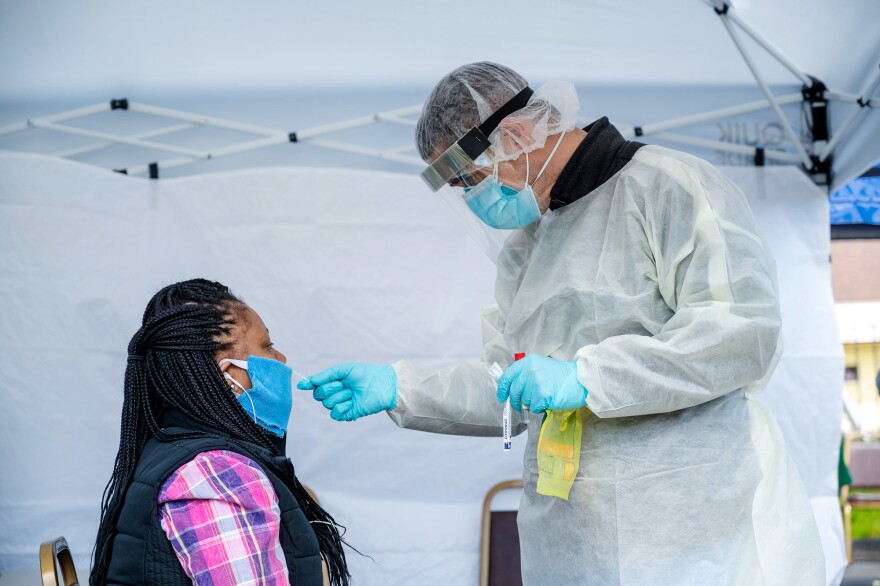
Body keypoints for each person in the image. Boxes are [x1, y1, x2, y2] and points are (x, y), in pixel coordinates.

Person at [298, 62, 825, 584]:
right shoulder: (527, 249)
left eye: (470, 179)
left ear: (518, 134)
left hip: (698, 534)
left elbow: (739, 334)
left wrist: (585, 377)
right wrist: (401, 389)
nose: (471, 198)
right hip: (574, 545)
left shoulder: (666, 187)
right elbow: (508, 387)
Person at [91, 279, 350, 586]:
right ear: (228, 376)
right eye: (267, 345)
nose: (282, 359)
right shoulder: (216, 477)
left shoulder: (177, 446)